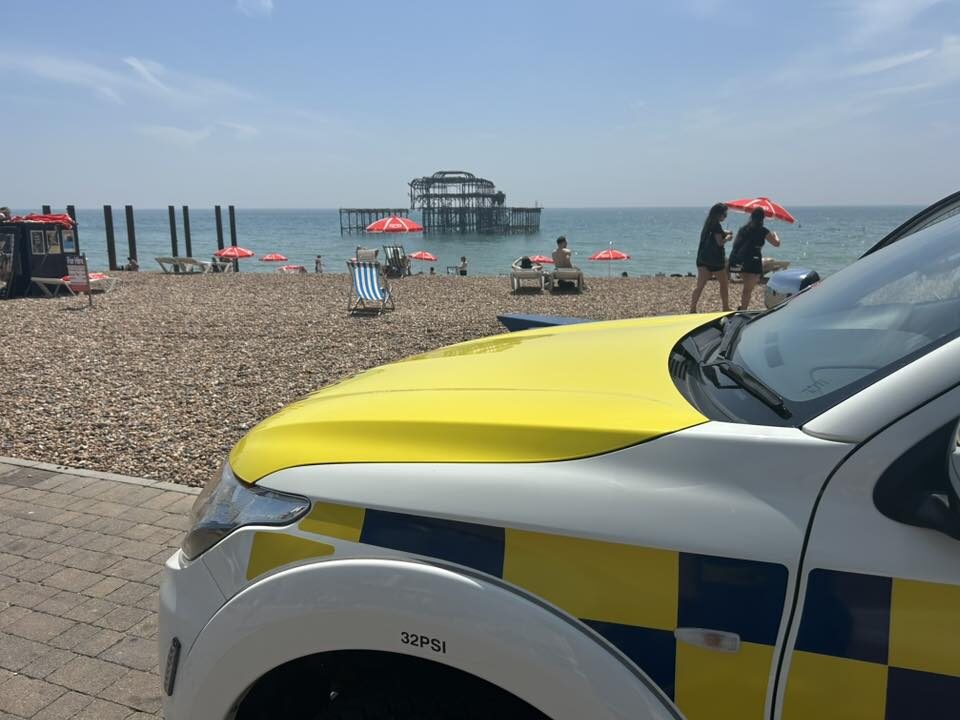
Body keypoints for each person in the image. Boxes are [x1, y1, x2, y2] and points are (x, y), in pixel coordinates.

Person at [729, 207, 781, 310]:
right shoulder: (763, 231)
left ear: (751, 216)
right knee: (748, 289)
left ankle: (743, 307)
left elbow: (735, 245)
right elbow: (776, 244)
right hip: (754, 260)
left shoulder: (743, 229)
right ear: (762, 218)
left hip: (740, 260)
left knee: (747, 287)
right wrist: (776, 235)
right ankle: (743, 309)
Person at [690, 202, 732, 313]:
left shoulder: (708, 223)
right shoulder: (717, 225)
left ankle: (692, 308)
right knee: (723, 283)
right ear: (719, 214)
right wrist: (728, 238)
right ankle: (725, 307)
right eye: (724, 214)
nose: (725, 216)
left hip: (703, 260)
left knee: (700, 286)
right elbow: (720, 243)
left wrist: (725, 232)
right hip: (715, 261)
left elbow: (716, 234)